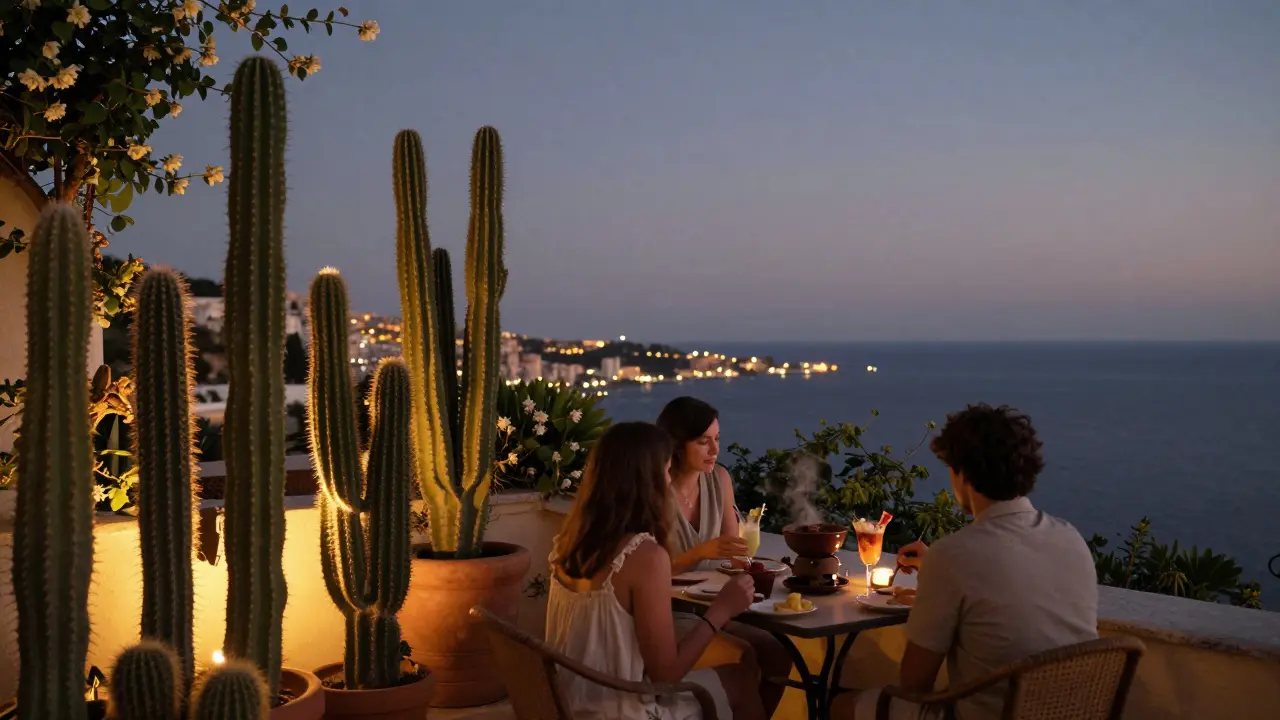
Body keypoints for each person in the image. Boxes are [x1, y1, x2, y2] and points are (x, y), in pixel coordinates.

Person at [839, 403, 1099, 720]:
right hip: (1073, 714)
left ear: (962, 472)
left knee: (841, 706)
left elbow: (914, 684)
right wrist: (937, 569)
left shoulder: (955, 556)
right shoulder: (1069, 538)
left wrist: (940, 570)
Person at [546, 421, 766, 720]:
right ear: (647, 481)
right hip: (624, 711)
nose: (669, 481)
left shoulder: (567, 544)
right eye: (666, 471)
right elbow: (665, 676)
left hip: (570, 703)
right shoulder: (643, 556)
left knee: (735, 673)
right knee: (739, 682)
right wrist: (721, 610)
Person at [656, 396, 793, 717]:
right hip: (668, 608)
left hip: (713, 602)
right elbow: (648, 569)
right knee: (741, 655)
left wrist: (758, 569)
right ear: (677, 444)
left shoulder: (719, 480)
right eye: (704, 442)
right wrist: (700, 553)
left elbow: (735, 552)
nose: (715, 450)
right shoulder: (654, 489)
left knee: (777, 650)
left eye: (717, 439)